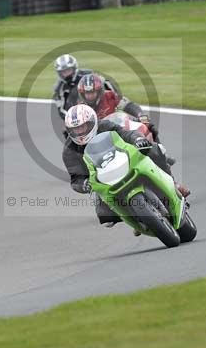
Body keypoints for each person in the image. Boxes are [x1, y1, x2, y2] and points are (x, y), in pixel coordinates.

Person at [62, 104, 189, 233]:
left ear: (92, 122)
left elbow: (125, 133)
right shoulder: (69, 151)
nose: (80, 132)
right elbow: (75, 179)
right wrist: (84, 184)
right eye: (76, 129)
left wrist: (138, 139)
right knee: (106, 216)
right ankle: (137, 218)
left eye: (83, 126)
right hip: (102, 179)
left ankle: (173, 184)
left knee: (154, 150)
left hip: (125, 159)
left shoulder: (104, 126)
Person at [77, 72, 159, 142]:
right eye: (87, 93)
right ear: (82, 94)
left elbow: (128, 105)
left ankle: (160, 151)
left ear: (99, 91)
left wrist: (140, 115)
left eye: (92, 92)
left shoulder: (110, 96)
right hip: (98, 139)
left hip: (119, 129)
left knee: (148, 126)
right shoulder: (80, 109)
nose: (90, 96)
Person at [51, 54, 118, 120]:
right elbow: (61, 109)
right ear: (59, 73)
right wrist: (75, 118)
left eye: (68, 70)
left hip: (98, 107)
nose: (66, 74)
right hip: (78, 118)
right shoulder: (58, 88)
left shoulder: (89, 73)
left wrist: (115, 96)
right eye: (63, 72)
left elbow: (105, 82)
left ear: (74, 68)